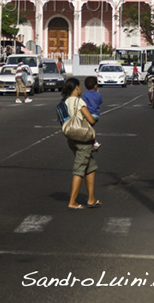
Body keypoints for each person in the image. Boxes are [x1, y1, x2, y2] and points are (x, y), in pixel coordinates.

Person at [61, 77, 101, 210]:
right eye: (79, 87)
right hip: (83, 138)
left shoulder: (65, 102)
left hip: (71, 138)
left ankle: (91, 199)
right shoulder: (79, 101)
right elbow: (91, 120)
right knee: (79, 169)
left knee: (91, 167)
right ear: (77, 87)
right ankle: (72, 202)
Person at [82, 76, 102, 151]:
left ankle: (93, 142)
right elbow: (100, 102)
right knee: (90, 128)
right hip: (96, 114)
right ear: (95, 85)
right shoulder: (98, 94)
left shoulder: (85, 94)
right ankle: (93, 142)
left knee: (88, 128)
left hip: (89, 114)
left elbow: (84, 104)